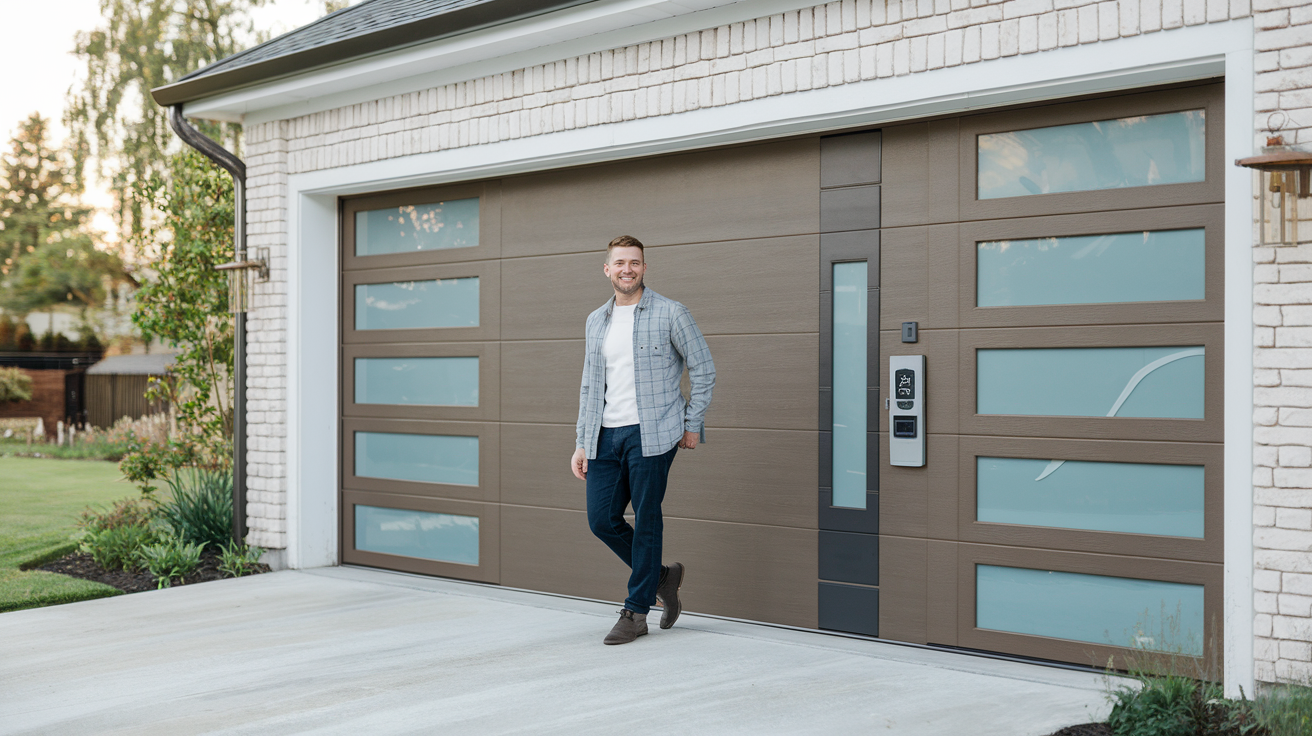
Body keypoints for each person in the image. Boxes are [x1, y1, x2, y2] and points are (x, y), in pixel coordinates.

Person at [571, 234, 716, 645]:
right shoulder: (595, 320)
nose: (627, 269)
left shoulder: (672, 313)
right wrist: (582, 440)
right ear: (607, 269)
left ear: (644, 268)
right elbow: (589, 385)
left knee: (647, 516)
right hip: (604, 434)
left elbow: (703, 369)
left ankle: (635, 612)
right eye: (619, 263)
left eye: (634, 262)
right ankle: (664, 578)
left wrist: (692, 424)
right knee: (602, 520)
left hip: (653, 433)